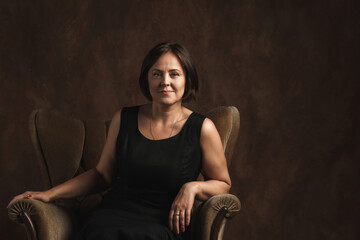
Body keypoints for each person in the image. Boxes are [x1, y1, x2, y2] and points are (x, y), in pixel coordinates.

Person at [8, 42, 231, 240]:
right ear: (146, 79)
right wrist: (49, 194)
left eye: (174, 74)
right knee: (97, 232)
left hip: (165, 221)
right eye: (156, 74)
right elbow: (101, 175)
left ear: (187, 79)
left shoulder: (203, 127)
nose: (165, 82)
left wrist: (192, 188)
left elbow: (223, 183)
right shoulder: (123, 118)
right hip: (115, 213)